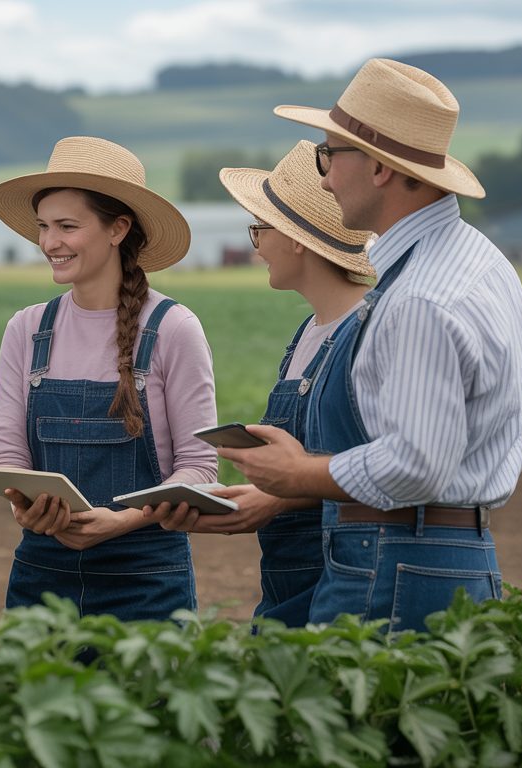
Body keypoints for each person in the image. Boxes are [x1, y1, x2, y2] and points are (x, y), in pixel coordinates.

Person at [223, 59, 522, 632]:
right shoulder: (482, 262)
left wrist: (299, 475)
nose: (323, 177)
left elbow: (416, 464)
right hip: (452, 556)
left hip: (395, 560)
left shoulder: (421, 296)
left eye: (328, 155)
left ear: (380, 169)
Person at [0, 136, 217, 621]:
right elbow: (6, 455)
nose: (50, 243)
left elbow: (199, 468)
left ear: (118, 229)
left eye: (68, 226)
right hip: (41, 575)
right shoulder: (27, 329)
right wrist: (23, 506)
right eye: (44, 227)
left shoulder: (173, 329)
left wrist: (121, 521)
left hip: (146, 580)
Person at [144, 140, 374, 628]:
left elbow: (385, 465)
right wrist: (253, 497)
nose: (256, 246)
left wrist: (274, 498)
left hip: (347, 583)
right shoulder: (309, 334)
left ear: (295, 239)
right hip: (289, 585)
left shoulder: (368, 333)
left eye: (260, 229)